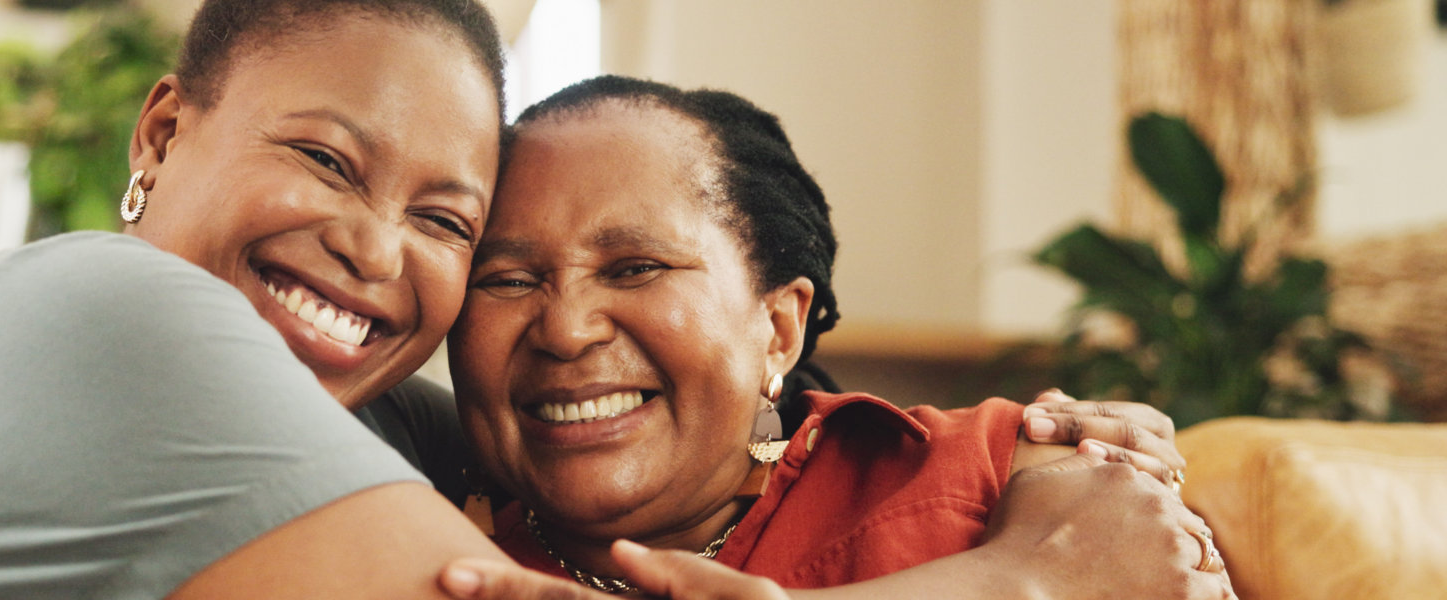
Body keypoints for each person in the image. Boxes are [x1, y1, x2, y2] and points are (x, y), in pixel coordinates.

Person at [0, 1, 1202, 598]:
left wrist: (1047, 456)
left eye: (443, 222)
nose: (372, 249)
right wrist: (1038, 577)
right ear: (161, 134)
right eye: (321, 158)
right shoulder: (98, 314)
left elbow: (653, 438)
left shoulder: (389, 439)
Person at [441, 76, 1233, 599]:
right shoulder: (425, 557)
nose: (567, 328)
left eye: (636, 268)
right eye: (507, 280)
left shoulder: (1002, 471)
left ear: (779, 328)